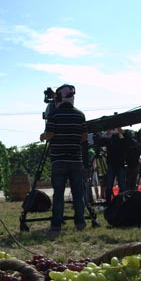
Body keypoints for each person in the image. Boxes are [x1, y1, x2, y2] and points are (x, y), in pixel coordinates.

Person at [41, 84, 87, 233]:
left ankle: (56, 226)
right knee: (78, 194)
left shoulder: (54, 115)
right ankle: (80, 223)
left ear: (58, 98)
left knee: (59, 194)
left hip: (59, 160)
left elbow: (49, 135)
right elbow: (84, 137)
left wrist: (43, 136)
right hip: (76, 160)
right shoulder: (80, 115)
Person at [102, 128, 128, 203]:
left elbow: (128, 141)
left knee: (121, 186)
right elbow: (101, 142)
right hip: (113, 164)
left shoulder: (121, 139)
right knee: (110, 186)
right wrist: (108, 133)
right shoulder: (110, 138)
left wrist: (122, 132)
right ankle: (109, 202)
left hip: (118, 164)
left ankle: (121, 202)